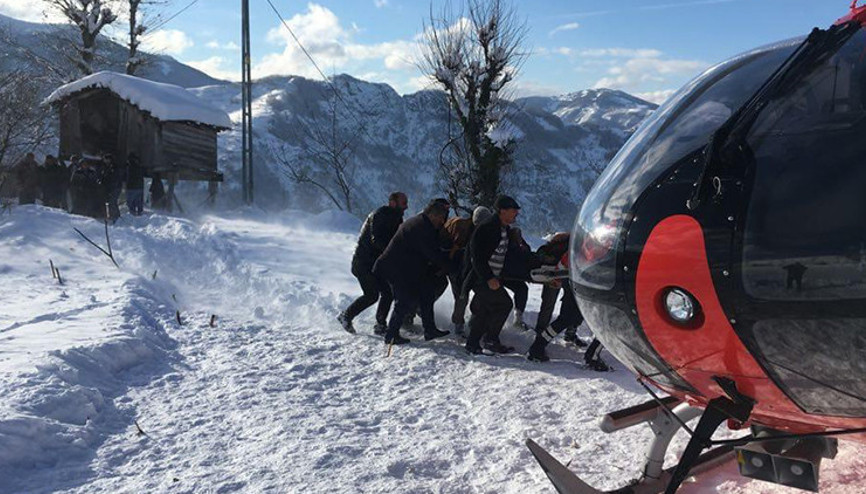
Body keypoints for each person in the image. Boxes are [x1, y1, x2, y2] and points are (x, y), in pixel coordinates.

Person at [374, 200, 451, 345]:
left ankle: (430, 329)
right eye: (441, 218)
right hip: (394, 268)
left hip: (407, 267)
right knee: (403, 300)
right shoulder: (420, 226)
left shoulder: (424, 223)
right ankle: (391, 335)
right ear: (433, 215)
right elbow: (432, 253)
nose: (442, 221)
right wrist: (449, 265)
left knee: (427, 292)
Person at [338, 192, 408, 334]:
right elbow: (376, 240)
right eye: (403, 203)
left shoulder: (397, 218)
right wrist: (393, 252)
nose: (406, 207)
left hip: (376, 263)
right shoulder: (379, 215)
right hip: (363, 262)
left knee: (388, 293)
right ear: (392, 203)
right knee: (371, 295)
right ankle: (346, 316)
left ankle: (380, 325)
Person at [465, 195, 521, 355]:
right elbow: (477, 257)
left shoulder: (504, 229)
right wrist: (488, 278)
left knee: (484, 308)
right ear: (502, 211)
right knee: (504, 304)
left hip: (492, 278)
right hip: (481, 278)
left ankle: (475, 343)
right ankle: (489, 340)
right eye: (513, 210)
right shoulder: (487, 228)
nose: (516, 214)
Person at [442, 206, 493, 336]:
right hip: (456, 267)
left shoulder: (485, 232)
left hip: (471, 268)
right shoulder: (462, 228)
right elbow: (454, 251)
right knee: (461, 296)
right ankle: (458, 325)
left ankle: (474, 321)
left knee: (479, 295)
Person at [101, 154, 125, 222]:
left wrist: (111, 186)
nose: (105, 161)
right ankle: (112, 216)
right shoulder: (106, 167)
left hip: (115, 187)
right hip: (110, 187)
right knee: (111, 202)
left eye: (106, 159)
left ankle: (116, 216)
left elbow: (114, 178)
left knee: (112, 202)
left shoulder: (114, 167)